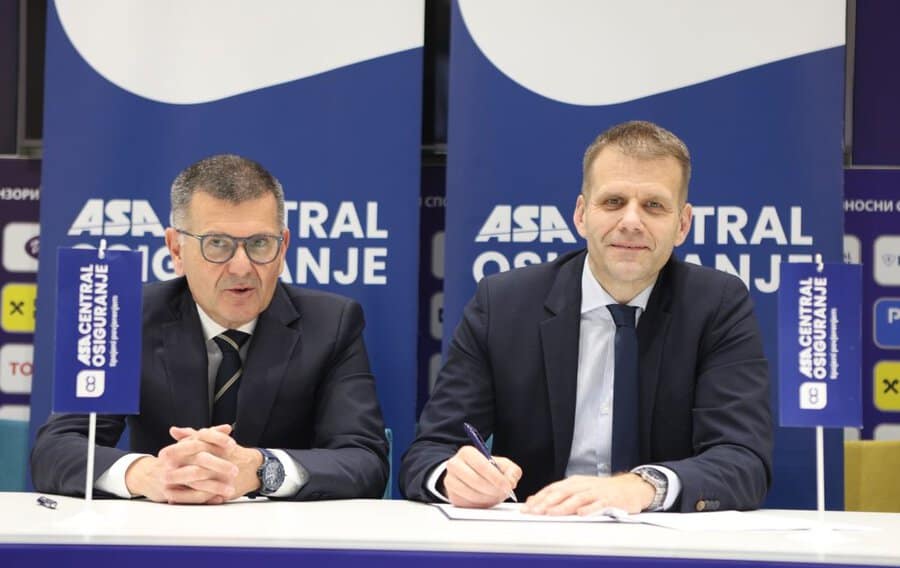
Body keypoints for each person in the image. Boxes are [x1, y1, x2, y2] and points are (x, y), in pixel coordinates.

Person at [400, 121, 772, 514]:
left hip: (664, 539)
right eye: (613, 202)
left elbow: (743, 460)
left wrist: (641, 487)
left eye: (653, 205)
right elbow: (429, 452)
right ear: (581, 215)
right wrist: (455, 477)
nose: (631, 221)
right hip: (536, 530)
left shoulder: (717, 306)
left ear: (682, 225)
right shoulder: (503, 304)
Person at [32, 154, 389, 503]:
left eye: (259, 243)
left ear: (283, 249)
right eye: (217, 244)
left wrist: (262, 470)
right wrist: (147, 474)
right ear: (176, 249)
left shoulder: (331, 323)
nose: (241, 267)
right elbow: (56, 448)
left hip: (282, 533)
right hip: (159, 528)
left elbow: (365, 460)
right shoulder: (126, 315)